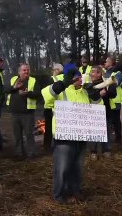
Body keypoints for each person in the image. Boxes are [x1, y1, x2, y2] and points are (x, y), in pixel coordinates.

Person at [43, 66, 102, 204]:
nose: (81, 79)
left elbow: (98, 108)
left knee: (77, 167)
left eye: (81, 76)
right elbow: (46, 96)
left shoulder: (85, 92)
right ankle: (59, 195)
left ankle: (75, 190)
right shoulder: (60, 90)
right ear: (71, 78)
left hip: (80, 138)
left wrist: (95, 95)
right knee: (62, 168)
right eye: (77, 77)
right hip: (64, 138)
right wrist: (63, 83)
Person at [6, 63, 41, 159]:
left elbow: (38, 93)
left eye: (27, 70)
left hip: (27, 113)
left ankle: (31, 153)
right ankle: (19, 153)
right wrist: (15, 87)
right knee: (17, 135)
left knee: (29, 134)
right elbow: (6, 89)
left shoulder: (33, 80)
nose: (26, 72)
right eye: (24, 70)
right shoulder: (13, 79)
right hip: (14, 112)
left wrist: (27, 93)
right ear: (19, 72)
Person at [84, 65, 117, 160]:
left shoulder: (106, 83)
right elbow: (88, 96)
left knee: (106, 131)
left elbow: (113, 94)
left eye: (96, 72)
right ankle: (93, 151)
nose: (93, 74)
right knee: (94, 132)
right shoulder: (87, 85)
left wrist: (107, 92)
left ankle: (106, 150)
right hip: (93, 113)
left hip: (106, 111)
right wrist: (99, 94)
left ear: (100, 73)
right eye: (92, 72)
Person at [42, 63, 64, 152]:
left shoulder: (53, 79)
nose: (52, 71)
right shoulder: (67, 79)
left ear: (58, 70)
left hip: (50, 108)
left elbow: (45, 93)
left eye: (53, 70)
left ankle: (47, 147)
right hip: (63, 108)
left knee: (49, 129)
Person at [104, 56, 122, 149]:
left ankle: (118, 140)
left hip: (115, 101)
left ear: (112, 63)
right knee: (107, 121)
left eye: (107, 61)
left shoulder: (118, 73)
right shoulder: (104, 73)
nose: (105, 63)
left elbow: (115, 83)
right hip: (105, 101)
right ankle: (107, 140)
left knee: (116, 122)